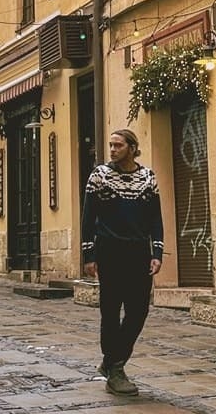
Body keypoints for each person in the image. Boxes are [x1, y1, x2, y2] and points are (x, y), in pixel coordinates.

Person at [81, 128, 163, 397]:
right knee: (110, 311)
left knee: (139, 311)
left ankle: (111, 361)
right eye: (111, 145)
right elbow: (88, 217)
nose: (112, 150)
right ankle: (116, 369)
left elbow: (155, 219)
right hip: (110, 252)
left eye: (118, 145)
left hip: (139, 252)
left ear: (131, 147)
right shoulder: (100, 176)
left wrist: (157, 253)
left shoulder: (148, 177)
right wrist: (89, 255)